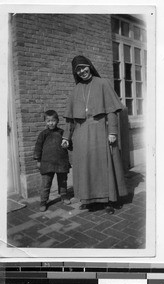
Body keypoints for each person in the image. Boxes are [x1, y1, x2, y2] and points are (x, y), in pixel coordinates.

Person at [62, 55, 128, 214]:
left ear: (89, 66)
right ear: (75, 73)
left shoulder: (103, 83)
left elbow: (112, 111)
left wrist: (112, 131)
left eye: (83, 67)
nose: (82, 71)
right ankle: (88, 199)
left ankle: (108, 201)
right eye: (78, 70)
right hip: (81, 134)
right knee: (85, 168)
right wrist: (66, 137)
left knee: (103, 167)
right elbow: (70, 119)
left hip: (100, 131)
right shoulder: (75, 90)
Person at [34, 110, 72, 212]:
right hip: (47, 163)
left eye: (53, 120)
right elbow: (38, 147)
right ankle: (43, 201)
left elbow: (70, 145)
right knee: (46, 184)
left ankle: (63, 196)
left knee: (63, 181)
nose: (51, 123)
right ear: (45, 122)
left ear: (57, 121)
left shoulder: (62, 133)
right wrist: (38, 160)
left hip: (61, 162)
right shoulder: (43, 134)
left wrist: (67, 143)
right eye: (48, 121)